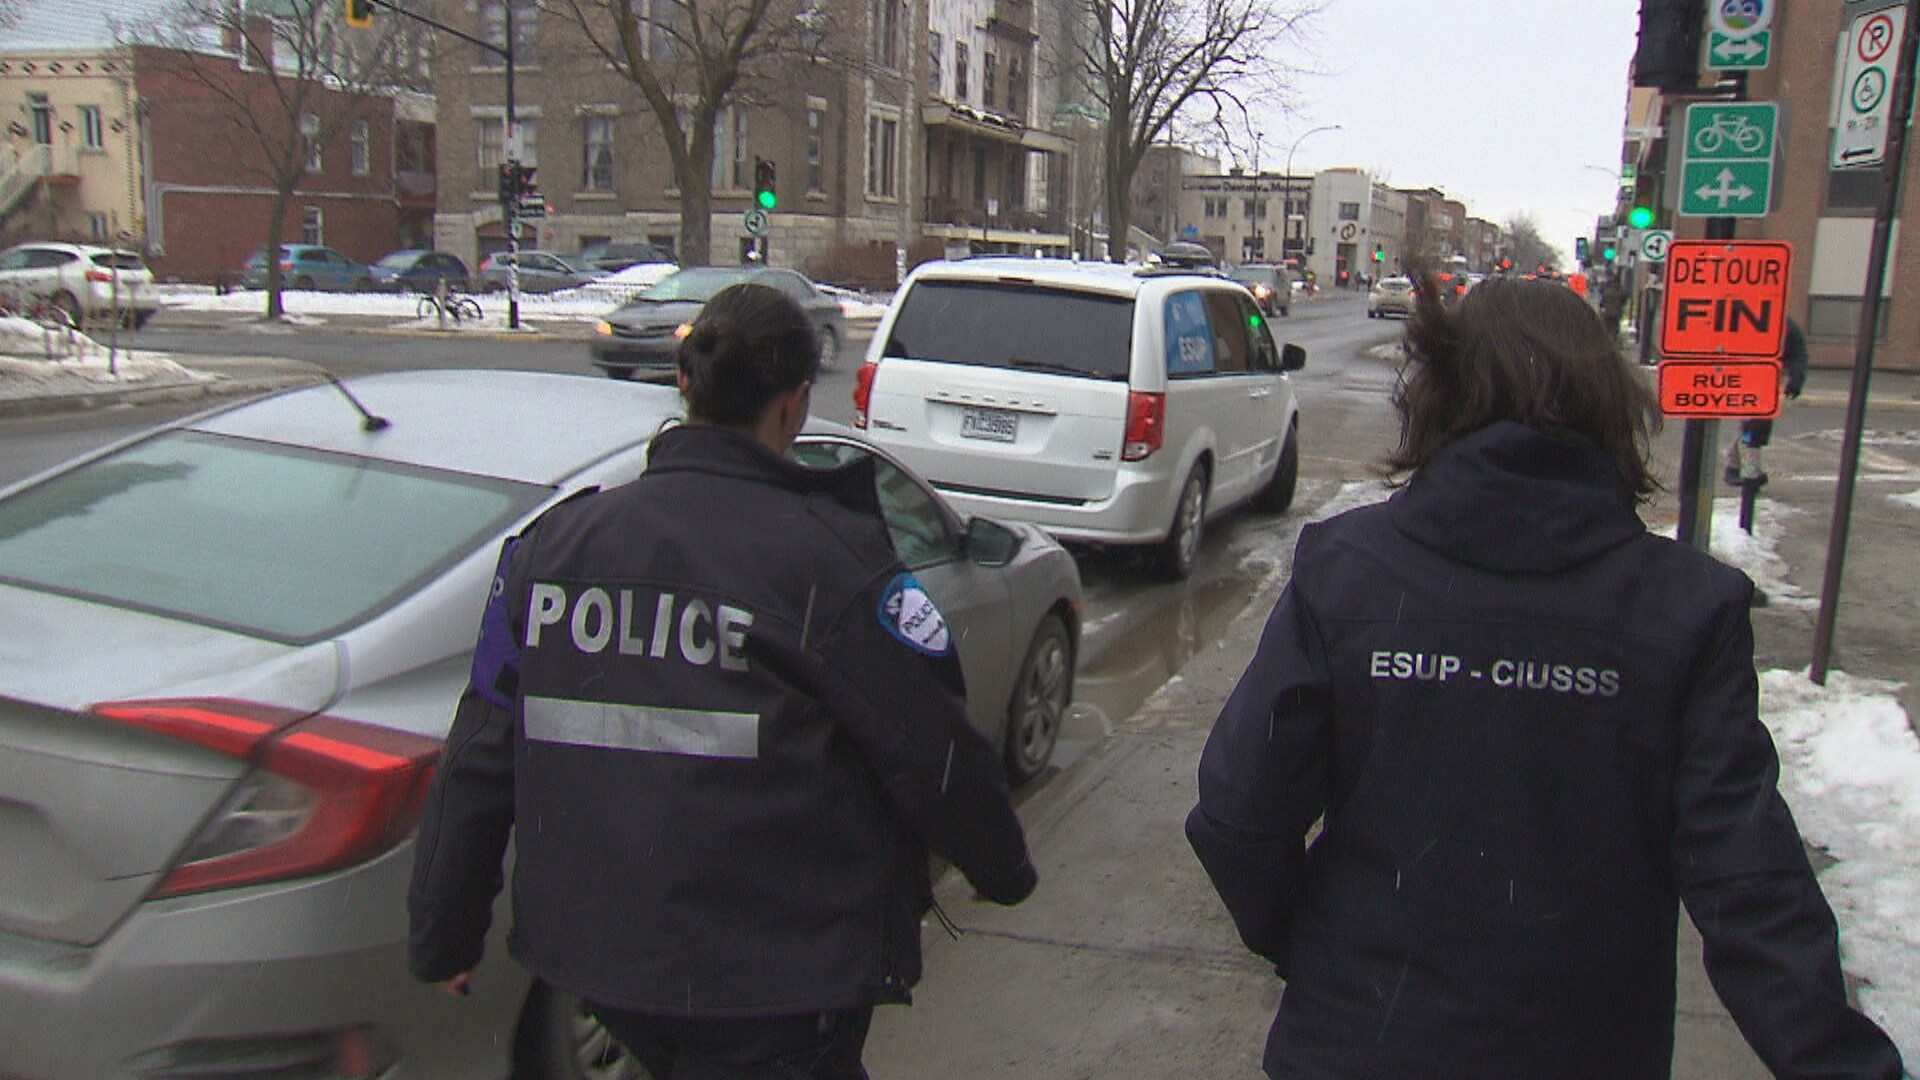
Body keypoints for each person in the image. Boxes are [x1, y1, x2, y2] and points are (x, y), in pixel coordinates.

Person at [1186, 276, 1905, 1080]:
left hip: (1357, 1041)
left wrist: (1318, 944)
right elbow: (1753, 890)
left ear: (1442, 396)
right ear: (1609, 408)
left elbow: (1238, 817)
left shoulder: (1348, 574)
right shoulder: (1681, 610)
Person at [408, 282, 1038, 1078]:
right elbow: (933, 747)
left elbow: (479, 756)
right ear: (797, 404)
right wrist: (1001, 870)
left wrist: (444, 933)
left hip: (607, 967)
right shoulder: (830, 566)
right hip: (776, 983)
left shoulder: (551, 552)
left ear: (685, 383)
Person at [1725, 315, 1810, 486]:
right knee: (1754, 424)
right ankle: (1749, 470)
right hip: (1745, 374)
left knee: (1755, 425)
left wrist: (1796, 380)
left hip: (1768, 379)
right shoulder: (1745, 319)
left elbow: (1798, 354)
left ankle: (1735, 466)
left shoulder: (1786, 326)